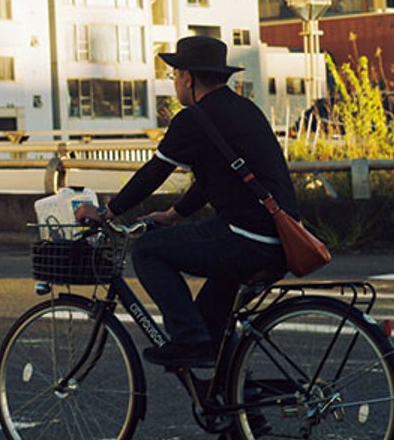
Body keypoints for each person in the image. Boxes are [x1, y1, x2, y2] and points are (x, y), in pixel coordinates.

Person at [75, 35, 293, 374]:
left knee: (147, 251)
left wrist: (108, 212)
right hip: (277, 240)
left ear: (188, 78)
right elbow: (220, 178)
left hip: (245, 238)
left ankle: (188, 341)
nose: (174, 83)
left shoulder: (194, 118)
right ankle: (240, 415)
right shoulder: (244, 110)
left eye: (174, 76)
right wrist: (176, 214)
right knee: (212, 328)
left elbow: (155, 172)